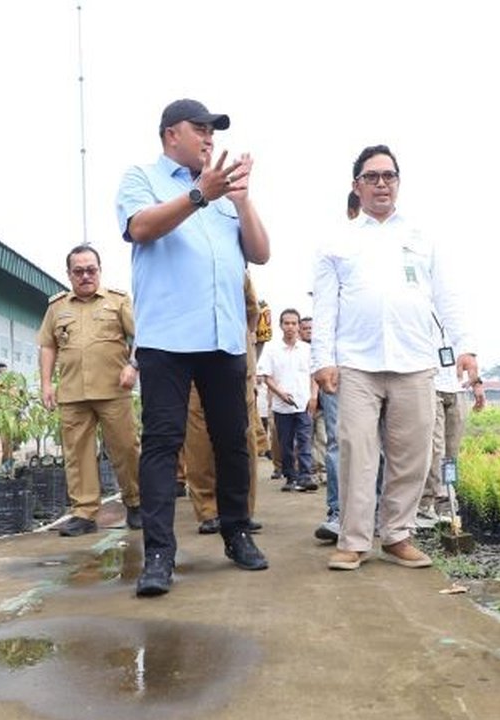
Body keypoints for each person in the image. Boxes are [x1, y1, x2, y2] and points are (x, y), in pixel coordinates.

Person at [115, 97, 271, 596]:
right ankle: (159, 554)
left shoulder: (225, 195)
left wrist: (241, 200)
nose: (209, 138)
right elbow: (140, 228)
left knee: (232, 440)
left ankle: (236, 532)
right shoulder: (141, 178)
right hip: (167, 339)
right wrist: (199, 195)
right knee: (162, 442)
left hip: (223, 337)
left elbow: (261, 253)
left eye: (213, 131)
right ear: (169, 134)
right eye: (199, 128)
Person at [311, 144, 465, 571]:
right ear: (356, 185)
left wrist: (465, 347)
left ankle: (397, 534)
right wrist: (321, 360)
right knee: (357, 452)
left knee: (412, 454)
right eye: (372, 176)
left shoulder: (421, 237)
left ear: (398, 183)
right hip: (357, 364)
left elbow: (446, 296)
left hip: (415, 360)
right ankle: (354, 539)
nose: (382, 183)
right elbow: (325, 307)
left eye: (389, 176)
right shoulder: (336, 240)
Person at [38, 244, 143, 536]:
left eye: (91, 270)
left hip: (113, 390)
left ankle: (136, 503)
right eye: (79, 271)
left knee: (126, 449)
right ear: (69, 274)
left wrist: (133, 366)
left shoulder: (118, 301)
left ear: (100, 270)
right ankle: (84, 513)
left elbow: (142, 334)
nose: (85, 276)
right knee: (77, 454)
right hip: (72, 394)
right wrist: (46, 383)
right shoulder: (57, 307)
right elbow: (48, 345)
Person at [184, 273, 265, 535]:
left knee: (242, 436)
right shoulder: (179, 266)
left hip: (235, 358)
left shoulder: (236, 269)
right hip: (192, 355)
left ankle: (240, 510)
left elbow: (252, 311)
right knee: (198, 439)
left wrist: (244, 339)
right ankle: (209, 511)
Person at [417, 352, 485, 527]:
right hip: (430, 385)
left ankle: (446, 504)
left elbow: (469, 351)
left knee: (451, 453)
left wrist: (477, 384)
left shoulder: (459, 325)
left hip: (458, 388)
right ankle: (426, 503)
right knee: (435, 449)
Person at [258, 308, 318, 492]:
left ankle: (306, 476)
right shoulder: (271, 349)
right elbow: (266, 376)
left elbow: (314, 374)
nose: (290, 327)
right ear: (281, 325)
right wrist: (279, 393)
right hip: (281, 406)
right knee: (285, 444)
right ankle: (291, 476)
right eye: (287, 323)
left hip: (304, 403)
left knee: (304, 441)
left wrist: (314, 396)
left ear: (299, 326)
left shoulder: (308, 350)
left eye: (294, 323)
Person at [298, 316, 327, 481]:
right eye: (305, 328)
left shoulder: (321, 350)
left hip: (323, 403)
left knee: (323, 438)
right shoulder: (298, 351)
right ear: (300, 331)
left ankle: (323, 470)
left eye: (311, 328)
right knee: (304, 439)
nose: (309, 331)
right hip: (302, 403)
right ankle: (308, 471)